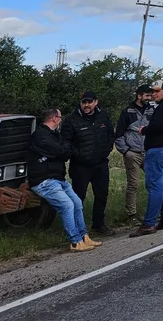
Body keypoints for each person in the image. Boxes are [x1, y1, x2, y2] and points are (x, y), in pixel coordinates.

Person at [27, 108, 101, 252]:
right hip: (44, 180)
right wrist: (62, 151)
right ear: (54, 118)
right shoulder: (39, 135)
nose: (61, 120)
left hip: (58, 178)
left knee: (77, 203)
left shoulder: (55, 135)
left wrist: (62, 150)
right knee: (67, 205)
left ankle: (84, 236)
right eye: (60, 117)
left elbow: (67, 150)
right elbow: (59, 150)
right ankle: (75, 242)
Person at [130, 79, 163, 237]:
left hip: (160, 149)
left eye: (157, 91)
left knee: (154, 186)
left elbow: (157, 126)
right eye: (152, 91)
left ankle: (149, 223)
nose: (153, 94)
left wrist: (144, 130)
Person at [61, 90, 115, 236]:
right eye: (84, 102)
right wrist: (79, 155)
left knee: (102, 195)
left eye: (89, 102)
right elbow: (66, 143)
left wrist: (106, 150)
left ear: (95, 102)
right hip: (81, 166)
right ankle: (76, 229)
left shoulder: (103, 116)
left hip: (101, 164)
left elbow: (111, 135)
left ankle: (99, 225)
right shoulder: (71, 120)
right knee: (78, 198)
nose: (86, 105)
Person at [114, 84, 154, 223]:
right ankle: (131, 215)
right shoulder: (127, 112)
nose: (150, 98)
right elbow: (118, 134)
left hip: (148, 152)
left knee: (154, 182)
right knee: (133, 184)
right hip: (133, 153)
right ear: (139, 95)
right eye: (147, 95)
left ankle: (156, 211)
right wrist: (125, 151)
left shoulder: (151, 110)